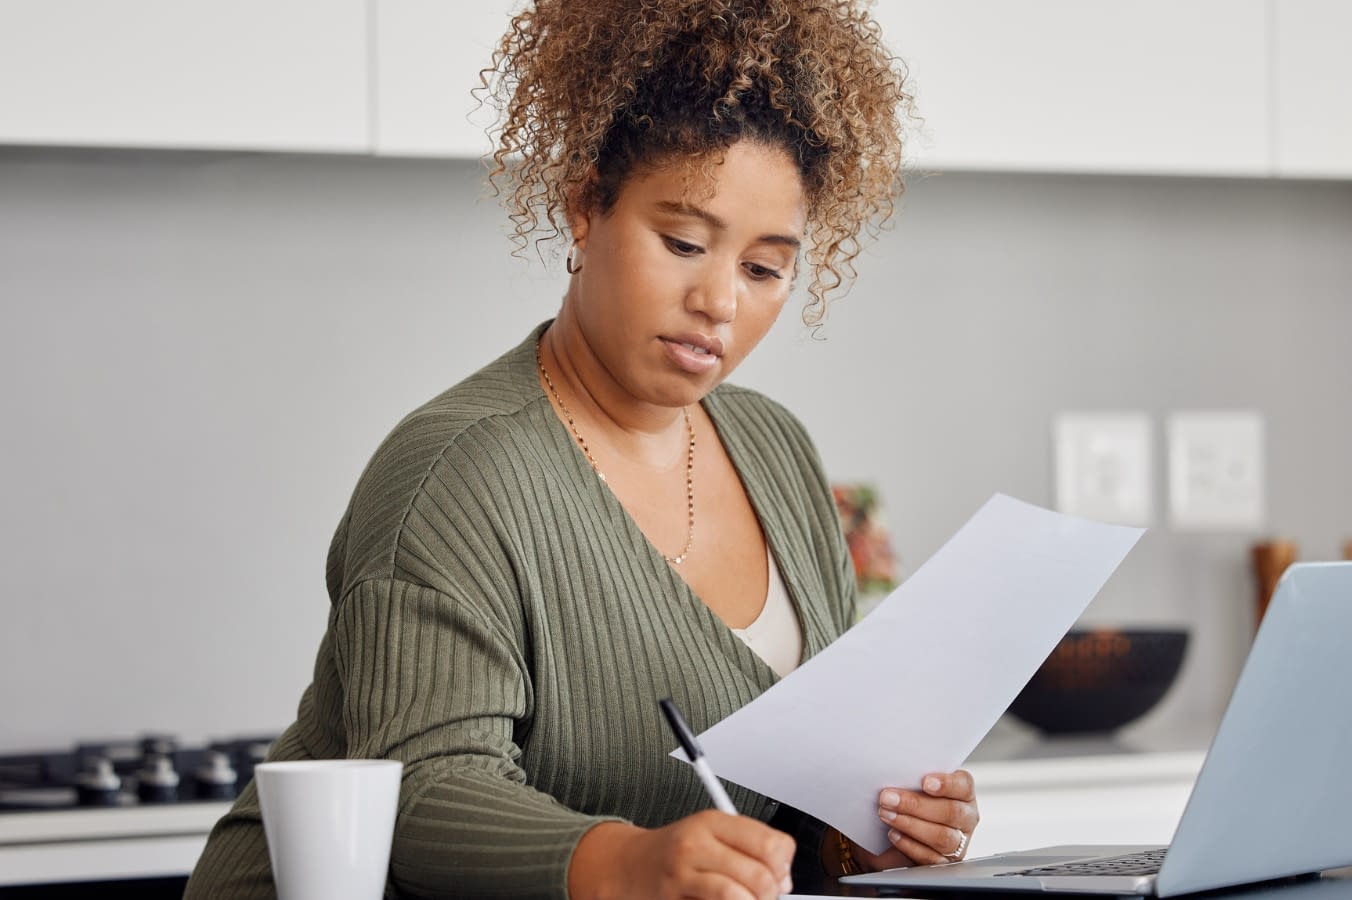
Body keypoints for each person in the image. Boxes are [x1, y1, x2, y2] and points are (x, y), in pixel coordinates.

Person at [185, 1, 979, 897]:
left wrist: (860, 838)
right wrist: (636, 862)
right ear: (585, 208)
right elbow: (423, 795)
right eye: (683, 242)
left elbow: (787, 797)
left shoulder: (777, 450)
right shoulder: (458, 472)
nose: (719, 301)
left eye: (764, 268)